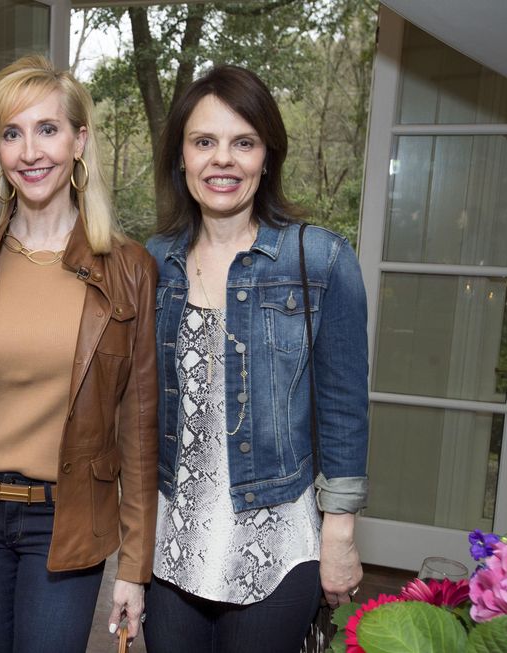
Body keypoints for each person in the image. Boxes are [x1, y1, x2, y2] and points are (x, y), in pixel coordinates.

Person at [143, 65, 369, 653]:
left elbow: (344, 407)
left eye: (243, 142)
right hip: (174, 537)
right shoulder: (152, 264)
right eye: (204, 142)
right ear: (182, 158)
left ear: (267, 156)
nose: (223, 160)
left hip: (276, 538)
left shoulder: (319, 260)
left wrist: (340, 533)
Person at [0, 55, 158, 652]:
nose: (30, 151)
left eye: (48, 129)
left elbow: (138, 432)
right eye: (12, 133)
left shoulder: (129, 269)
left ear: (79, 140)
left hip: (66, 522)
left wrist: (135, 568)